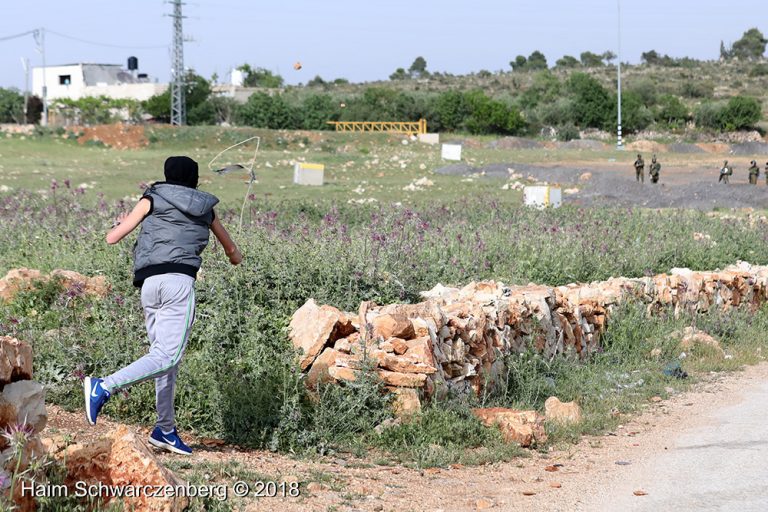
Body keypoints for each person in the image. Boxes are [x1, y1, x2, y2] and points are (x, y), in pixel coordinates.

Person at [84, 156, 243, 455]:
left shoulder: (151, 198)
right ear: (195, 180)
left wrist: (121, 222)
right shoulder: (205, 208)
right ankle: (103, 387)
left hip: (149, 286)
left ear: (167, 176)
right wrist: (237, 257)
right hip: (178, 284)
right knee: (167, 357)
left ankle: (165, 430)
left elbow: (112, 238)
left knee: (164, 361)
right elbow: (231, 251)